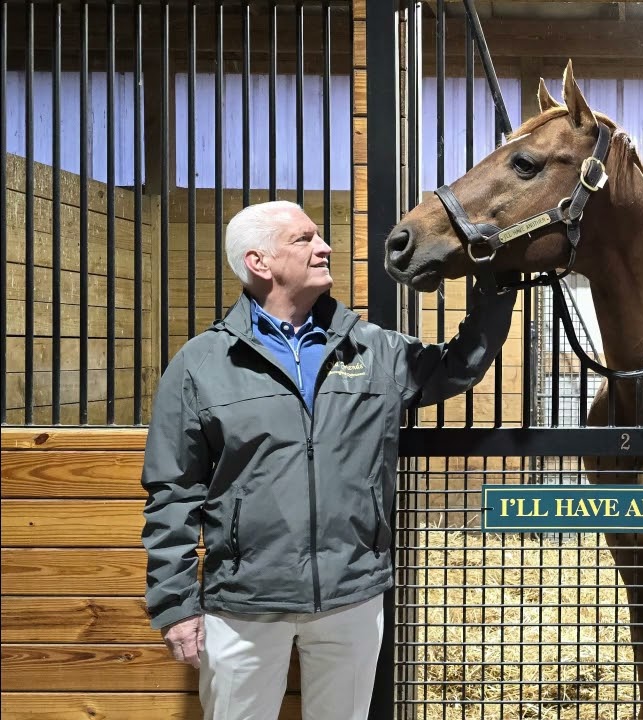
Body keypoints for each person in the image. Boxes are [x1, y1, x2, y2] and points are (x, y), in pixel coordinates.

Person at [141, 200, 516, 720]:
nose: (325, 247)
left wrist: (498, 286)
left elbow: (458, 367)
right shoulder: (201, 365)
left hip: (352, 596)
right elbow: (173, 493)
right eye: (305, 239)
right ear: (260, 262)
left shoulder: (370, 349)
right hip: (244, 603)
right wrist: (176, 605)